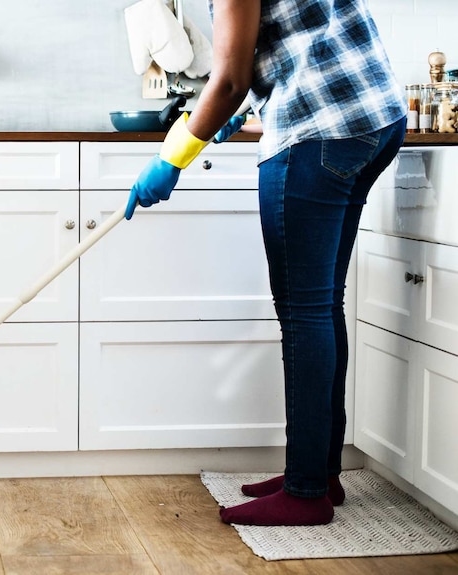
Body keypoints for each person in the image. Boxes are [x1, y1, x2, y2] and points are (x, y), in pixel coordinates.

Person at [126, 0, 407, 526]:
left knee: (304, 313)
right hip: (373, 120)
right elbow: (293, 41)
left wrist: (173, 158)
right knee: (321, 306)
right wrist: (244, 108)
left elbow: (229, 78)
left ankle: (305, 494)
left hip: (318, 132)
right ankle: (319, 473)